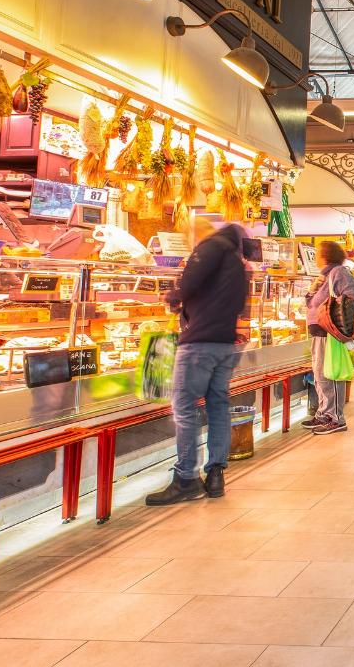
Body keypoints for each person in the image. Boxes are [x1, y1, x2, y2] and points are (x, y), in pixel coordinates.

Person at [146, 217, 247, 506]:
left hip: (199, 341)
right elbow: (240, 304)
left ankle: (186, 478)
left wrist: (175, 297)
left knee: (184, 408)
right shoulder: (236, 259)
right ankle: (216, 474)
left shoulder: (209, 248)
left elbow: (189, 282)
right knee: (218, 406)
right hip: (225, 344)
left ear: (195, 233)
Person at [303, 240, 354, 435]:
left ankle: (336, 418)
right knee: (320, 374)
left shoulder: (339, 272)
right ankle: (324, 413)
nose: (316, 256)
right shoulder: (324, 275)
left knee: (331, 373)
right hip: (319, 332)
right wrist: (312, 289)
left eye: (318, 252)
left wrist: (334, 305)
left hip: (330, 332)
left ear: (325, 255)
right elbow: (310, 302)